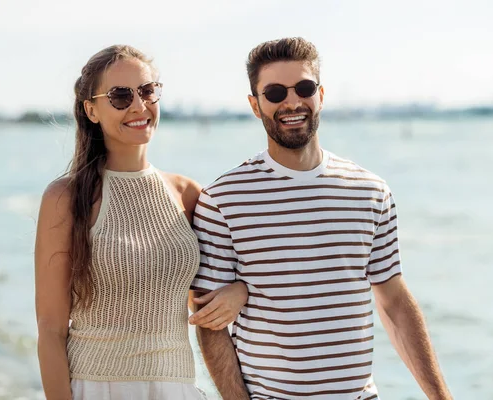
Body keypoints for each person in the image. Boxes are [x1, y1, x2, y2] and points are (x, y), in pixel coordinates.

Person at [189, 37, 453, 400]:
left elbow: (393, 302)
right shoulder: (222, 199)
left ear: (321, 95)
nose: (292, 101)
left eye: (304, 88)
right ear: (255, 105)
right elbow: (211, 323)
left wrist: (441, 396)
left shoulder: (371, 191)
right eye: (276, 92)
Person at [34, 44, 248, 400]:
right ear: (92, 110)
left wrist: (240, 291)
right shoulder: (66, 198)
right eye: (120, 96)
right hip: (96, 389)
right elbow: (51, 330)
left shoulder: (189, 195)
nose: (138, 106)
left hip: (177, 388)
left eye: (147, 91)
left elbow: (212, 301)